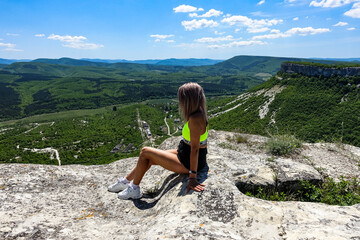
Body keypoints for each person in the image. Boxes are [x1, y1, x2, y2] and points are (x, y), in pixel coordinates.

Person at [108, 82, 209, 200]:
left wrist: (192, 177)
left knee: (145, 151)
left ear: (188, 100)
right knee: (148, 157)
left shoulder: (195, 119)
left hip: (188, 161)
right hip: (184, 152)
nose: (180, 102)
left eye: (181, 99)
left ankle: (134, 189)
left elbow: (195, 149)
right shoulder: (199, 113)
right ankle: (126, 181)